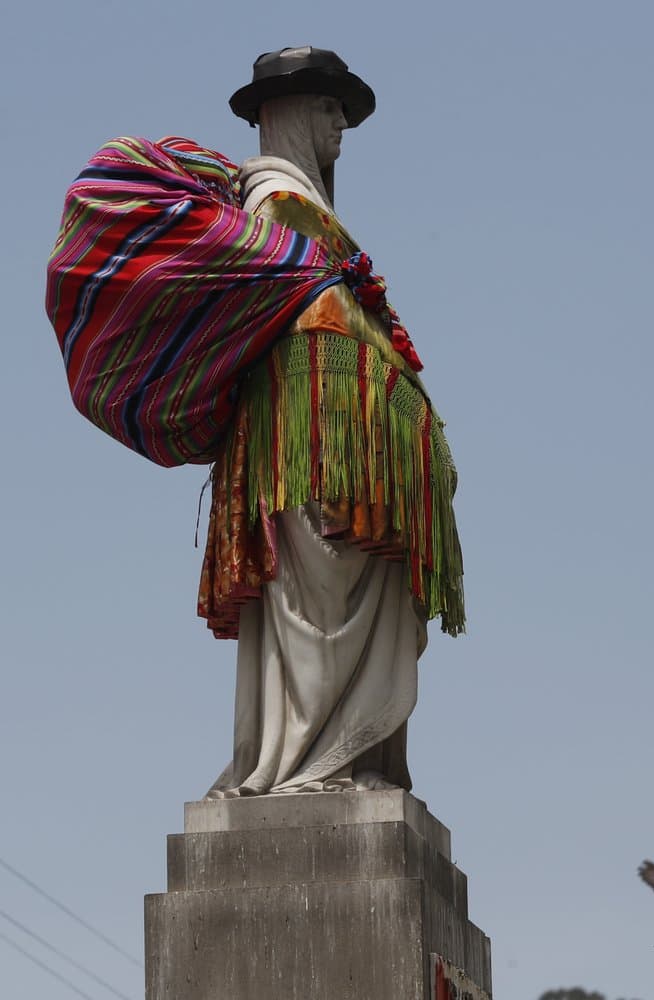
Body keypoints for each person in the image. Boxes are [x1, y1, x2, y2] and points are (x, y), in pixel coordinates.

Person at [198, 47, 464, 797]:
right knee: (320, 592)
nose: (339, 124)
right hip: (308, 439)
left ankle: (341, 758)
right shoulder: (277, 203)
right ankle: (312, 763)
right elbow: (322, 318)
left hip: (327, 436)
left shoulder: (302, 209)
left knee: (350, 583)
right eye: (326, 107)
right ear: (285, 113)